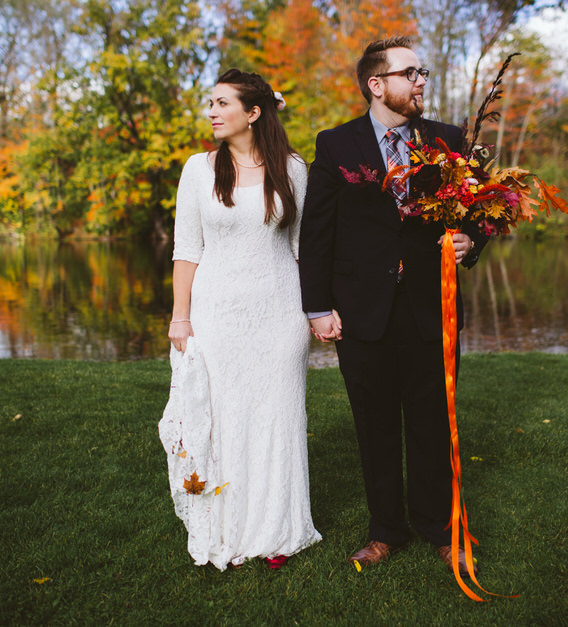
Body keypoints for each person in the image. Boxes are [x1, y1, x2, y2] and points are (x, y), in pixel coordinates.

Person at [298, 37, 486, 571]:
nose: (421, 81)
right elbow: (318, 233)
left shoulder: (449, 140)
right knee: (374, 425)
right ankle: (386, 530)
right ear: (376, 85)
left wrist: (472, 240)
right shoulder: (336, 144)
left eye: (422, 72)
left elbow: (479, 210)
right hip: (362, 309)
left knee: (432, 422)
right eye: (410, 73)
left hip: (432, 305)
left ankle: (438, 527)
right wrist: (317, 308)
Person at [158, 69, 321, 571]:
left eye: (222, 103)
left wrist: (316, 311)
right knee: (224, 426)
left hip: (278, 314)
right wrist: (179, 318)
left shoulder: (293, 169)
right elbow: (187, 250)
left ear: (253, 113)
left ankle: (278, 530)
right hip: (217, 317)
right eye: (210, 102)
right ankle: (227, 527)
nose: (211, 111)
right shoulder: (197, 169)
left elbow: (302, 250)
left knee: (277, 421)